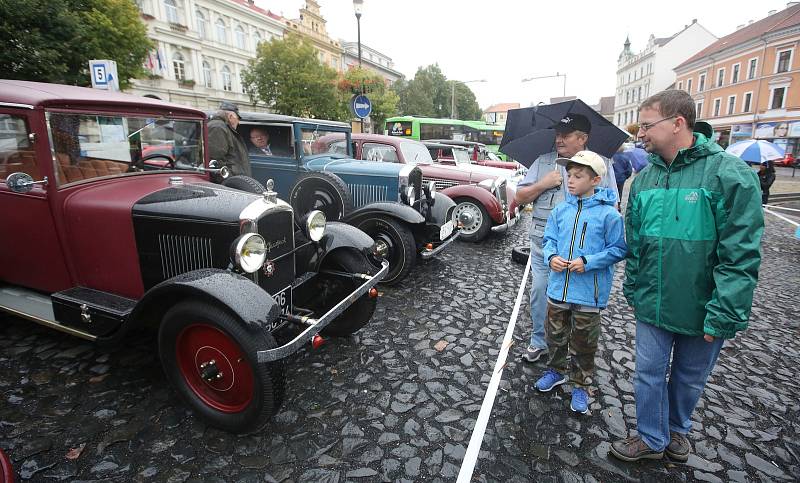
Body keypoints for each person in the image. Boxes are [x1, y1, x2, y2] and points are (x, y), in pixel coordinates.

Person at [611, 90, 763, 462]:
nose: (641, 133)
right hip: (653, 300)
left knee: (689, 378)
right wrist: (633, 286)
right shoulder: (644, 179)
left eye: (647, 125)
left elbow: (740, 253)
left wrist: (725, 311)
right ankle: (650, 437)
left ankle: (676, 430)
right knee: (647, 373)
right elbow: (637, 241)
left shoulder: (729, 174)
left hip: (703, 306)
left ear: (677, 123)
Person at [515, 113, 619, 363]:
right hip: (544, 245)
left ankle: (573, 347)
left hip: (584, 250)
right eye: (557, 134)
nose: (558, 139)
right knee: (541, 292)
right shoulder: (544, 162)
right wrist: (543, 184)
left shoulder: (602, 165)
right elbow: (519, 198)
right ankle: (539, 340)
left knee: (577, 300)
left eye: (566, 135)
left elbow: (612, 206)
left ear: (582, 138)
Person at [534, 150, 627, 414]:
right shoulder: (560, 210)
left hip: (589, 293)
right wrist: (551, 256)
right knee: (556, 336)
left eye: (578, 176)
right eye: (569, 175)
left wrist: (588, 262)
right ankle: (555, 371)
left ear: (596, 180)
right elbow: (549, 239)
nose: (570, 180)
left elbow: (618, 249)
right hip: (557, 289)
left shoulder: (609, 216)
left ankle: (580, 384)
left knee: (584, 342)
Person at [208, 101, 251, 176]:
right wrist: (230, 178)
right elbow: (215, 161)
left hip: (236, 179)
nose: (238, 122)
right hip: (230, 181)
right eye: (237, 118)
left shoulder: (222, 127)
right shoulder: (218, 127)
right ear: (230, 116)